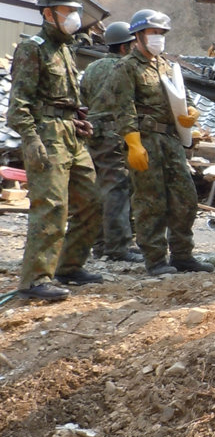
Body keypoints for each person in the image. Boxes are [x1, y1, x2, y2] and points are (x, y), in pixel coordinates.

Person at [7, 0, 103, 301]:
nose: (74, 18)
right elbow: (18, 105)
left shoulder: (65, 49)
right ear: (48, 14)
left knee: (90, 200)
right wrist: (31, 139)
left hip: (70, 134)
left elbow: (63, 98)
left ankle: (69, 266)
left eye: (75, 11)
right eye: (67, 11)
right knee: (50, 207)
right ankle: (34, 281)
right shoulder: (32, 48)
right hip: (46, 136)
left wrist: (77, 120)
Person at [109, 9, 213, 276]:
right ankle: (155, 259)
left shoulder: (166, 65)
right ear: (138, 36)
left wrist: (191, 114)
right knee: (150, 201)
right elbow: (123, 108)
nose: (158, 38)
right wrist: (132, 142)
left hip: (170, 139)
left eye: (161, 33)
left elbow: (182, 97)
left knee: (185, 198)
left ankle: (182, 255)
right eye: (153, 33)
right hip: (145, 140)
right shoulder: (126, 67)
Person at [81, 20, 143, 264]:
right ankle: (118, 247)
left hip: (93, 131)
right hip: (115, 130)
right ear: (126, 48)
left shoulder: (92, 67)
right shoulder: (126, 68)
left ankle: (100, 244)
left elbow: (83, 98)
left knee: (101, 188)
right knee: (119, 187)